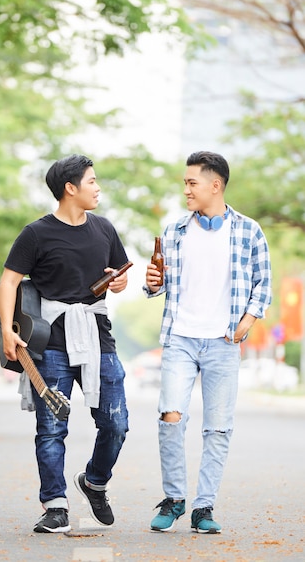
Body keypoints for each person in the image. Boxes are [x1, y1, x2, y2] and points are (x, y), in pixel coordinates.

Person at [0, 154, 130, 534]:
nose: (97, 186)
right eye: (91, 181)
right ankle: (55, 505)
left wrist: (118, 282)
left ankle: (94, 482)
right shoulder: (36, 233)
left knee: (116, 423)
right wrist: (8, 329)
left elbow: (117, 275)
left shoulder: (104, 229)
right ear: (70, 188)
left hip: (98, 338)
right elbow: (9, 282)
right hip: (50, 343)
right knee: (52, 427)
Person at [144, 151, 272, 534]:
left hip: (222, 342)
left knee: (217, 428)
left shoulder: (249, 231)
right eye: (185, 182)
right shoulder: (174, 232)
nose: (185, 189)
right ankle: (175, 498)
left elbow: (262, 283)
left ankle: (203, 506)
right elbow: (159, 282)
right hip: (180, 338)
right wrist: (153, 284)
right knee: (171, 416)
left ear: (215, 185)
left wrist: (246, 321)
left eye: (191, 182)